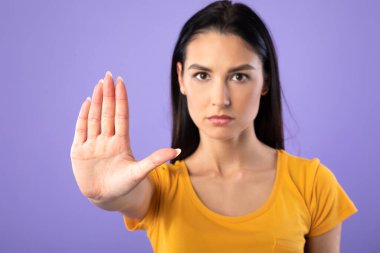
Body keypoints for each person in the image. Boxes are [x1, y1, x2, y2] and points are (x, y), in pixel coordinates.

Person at [70, 1, 358, 252]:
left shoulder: (314, 185)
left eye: (239, 77)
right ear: (181, 78)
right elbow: (124, 197)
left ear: (266, 81)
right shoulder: (160, 187)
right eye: (202, 75)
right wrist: (102, 194)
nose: (220, 100)